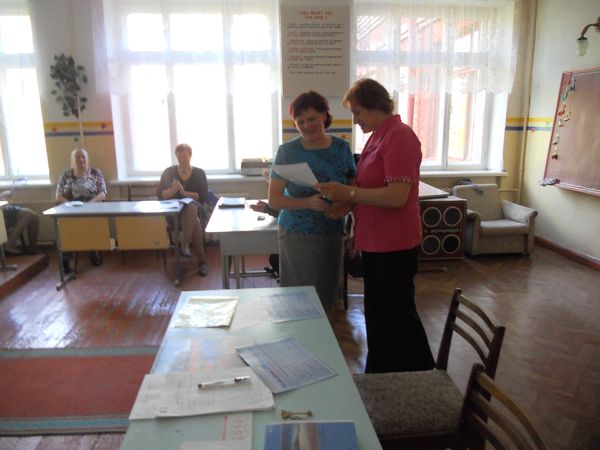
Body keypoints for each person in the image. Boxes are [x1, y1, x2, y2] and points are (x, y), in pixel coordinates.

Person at [316, 78, 435, 373]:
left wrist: (349, 194)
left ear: (375, 107)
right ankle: (380, 373)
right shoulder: (378, 136)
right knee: (379, 315)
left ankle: (423, 377)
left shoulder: (400, 136)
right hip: (375, 242)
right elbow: (369, 188)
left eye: (357, 112)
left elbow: (397, 196)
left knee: (399, 316)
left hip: (395, 243)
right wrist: (347, 204)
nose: (355, 120)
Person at [268, 91, 356, 312]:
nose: (306, 126)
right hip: (296, 233)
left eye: (312, 119)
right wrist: (307, 203)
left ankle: (327, 332)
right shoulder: (287, 151)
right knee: (298, 298)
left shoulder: (341, 148)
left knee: (327, 294)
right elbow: (274, 199)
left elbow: (353, 188)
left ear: (324, 116)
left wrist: (344, 205)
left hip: (332, 231)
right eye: (300, 122)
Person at [157, 143, 209, 277]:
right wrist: (173, 189)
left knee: (192, 207)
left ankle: (185, 244)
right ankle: (202, 262)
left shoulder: (199, 173)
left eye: (185, 156)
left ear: (190, 156)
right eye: (179, 156)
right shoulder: (169, 172)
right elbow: (161, 195)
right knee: (195, 223)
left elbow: (203, 195)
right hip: (174, 213)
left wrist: (185, 193)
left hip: (194, 210)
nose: (182, 159)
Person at [56, 148, 107, 272]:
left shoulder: (95, 173)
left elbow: (102, 194)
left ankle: (93, 250)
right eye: (77, 157)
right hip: (71, 208)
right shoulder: (66, 175)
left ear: (87, 159)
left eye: (83, 156)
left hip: (92, 207)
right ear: (72, 160)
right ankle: (65, 260)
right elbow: (58, 196)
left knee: (89, 224)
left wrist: (88, 205)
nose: (81, 159)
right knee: (64, 228)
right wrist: (70, 205)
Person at [0, 190, 39, 255]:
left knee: (34, 216)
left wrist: (3, 195)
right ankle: (9, 246)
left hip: (4, 209)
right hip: (2, 212)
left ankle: (33, 248)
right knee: (28, 214)